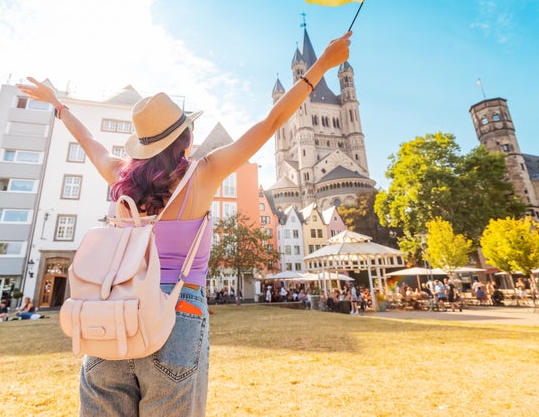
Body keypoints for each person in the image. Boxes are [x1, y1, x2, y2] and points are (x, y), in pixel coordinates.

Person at [18, 30, 352, 416]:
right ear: (186, 138)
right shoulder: (204, 174)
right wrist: (321, 66)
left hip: (111, 317)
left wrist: (58, 104)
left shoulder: (119, 176)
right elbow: (273, 120)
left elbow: (88, 138)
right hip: (178, 317)